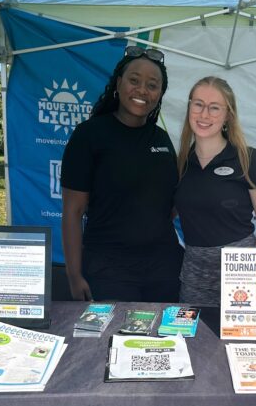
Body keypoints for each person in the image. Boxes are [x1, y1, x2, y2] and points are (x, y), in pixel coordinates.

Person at [60, 47, 183, 301]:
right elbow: (73, 212)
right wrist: (73, 275)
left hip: (164, 270)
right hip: (109, 270)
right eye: (134, 80)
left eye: (152, 85)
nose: (142, 90)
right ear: (119, 83)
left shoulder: (161, 138)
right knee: (117, 339)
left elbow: (170, 206)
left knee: (166, 341)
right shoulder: (89, 135)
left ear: (160, 94)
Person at [174, 76, 256, 305]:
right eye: (198, 104)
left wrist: (252, 273)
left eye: (214, 108)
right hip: (194, 277)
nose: (204, 115)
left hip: (240, 275)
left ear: (228, 115)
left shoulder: (248, 159)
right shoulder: (181, 163)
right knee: (193, 340)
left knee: (241, 339)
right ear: (190, 106)